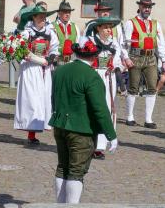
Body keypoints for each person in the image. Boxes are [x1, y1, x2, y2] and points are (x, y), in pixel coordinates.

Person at [50, 37, 118, 204]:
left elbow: (54, 98)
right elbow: (100, 109)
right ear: (94, 56)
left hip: (59, 126)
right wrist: (111, 134)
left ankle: (59, 205)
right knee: (76, 171)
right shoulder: (92, 77)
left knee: (62, 168)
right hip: (81, 129)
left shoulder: (60, 70)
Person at [14, 4, 59, 145]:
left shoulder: (50, 32)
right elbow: (20, 50)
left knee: (44, 98)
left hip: (45, 70)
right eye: (40, 17)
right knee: (32, 100)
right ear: (33, 17)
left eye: (44, 17)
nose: (43, 19)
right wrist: (37, 59)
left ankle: (42, 125)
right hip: (31, 69)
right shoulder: (27, 33)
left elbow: (55, 48)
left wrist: (51, 58)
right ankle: (31, 133)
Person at [124, 0, 165, 129]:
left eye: (149, 7)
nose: (147, 9)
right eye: (145, 6)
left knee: (152, 87)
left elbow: (160, 43)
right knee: (133, 87)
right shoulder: (131, 23)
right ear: (140, 7)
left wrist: (164, 60)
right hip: (135, 57)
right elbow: (124, 43)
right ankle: (130, 116)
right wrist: (126, 58)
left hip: (150, 59)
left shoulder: (156, 24)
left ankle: (148, 119)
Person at [85, 16, 122, 160]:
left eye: (110, 27)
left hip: (108, 77)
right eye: (105, 27)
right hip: (95, 76)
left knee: (106, 108)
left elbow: (117, 61)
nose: (108, 30)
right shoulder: (91, 42)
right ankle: (89, 141)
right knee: (92, 107)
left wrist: (114, 67)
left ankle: (100, 146)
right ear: (98, 28)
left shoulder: (114, 44)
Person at [54, 0, 80, 66]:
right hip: (58, 61)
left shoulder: (75, 27)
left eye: (69, 12)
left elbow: (78, 44)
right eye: (65, 12)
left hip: (72, 61)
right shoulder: (53, 26)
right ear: (59, 13)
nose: (67, 14)